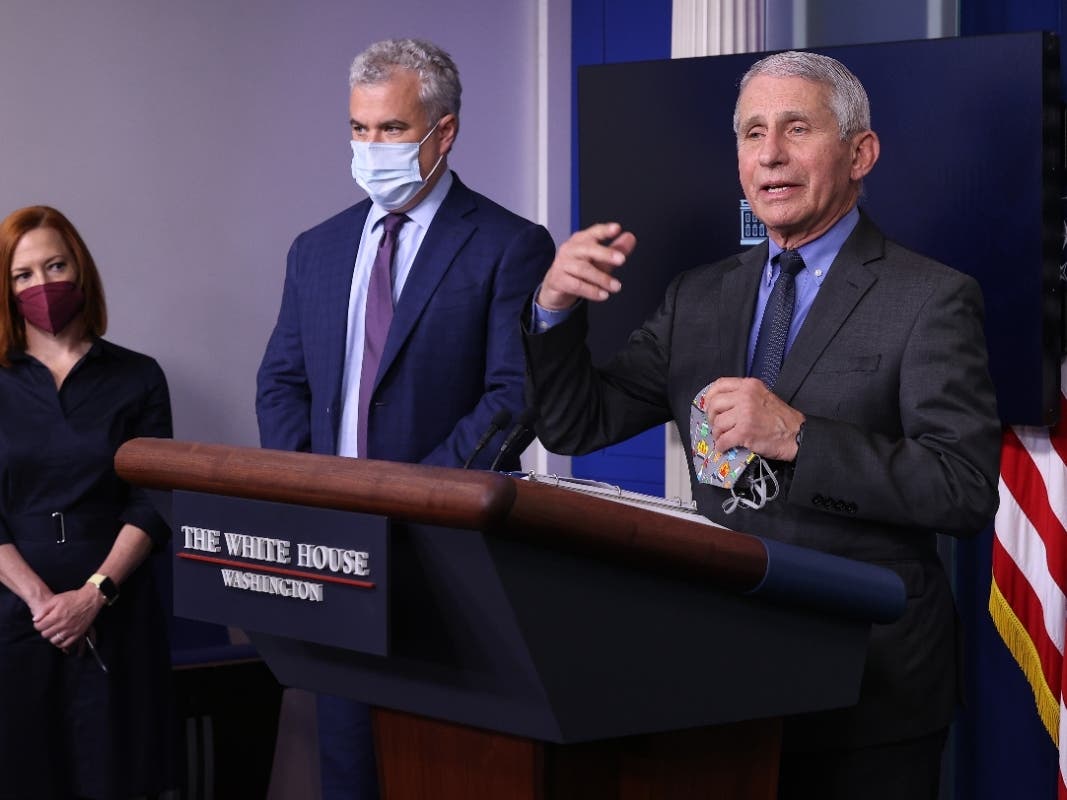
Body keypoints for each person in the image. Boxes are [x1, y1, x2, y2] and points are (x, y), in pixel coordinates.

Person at [523, 50, 1000, 799]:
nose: (770, 154)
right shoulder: (697, 296)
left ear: (860, 154)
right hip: (718, 676)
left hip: (869, 686)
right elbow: (575, 425)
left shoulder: (930, 298)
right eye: (752, 133)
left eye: (796, 128)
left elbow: (962, 488)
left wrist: (800, 439)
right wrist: (552, 312)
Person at [256, 38, 555, 800]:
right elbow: (280, 383)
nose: (370, 147)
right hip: (335, 550)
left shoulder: (510, 246)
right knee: (347, 766)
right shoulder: (316, 250)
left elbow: (511, 397)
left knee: (442, 771)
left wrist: (411, 497)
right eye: (359, 128)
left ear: (443, 132)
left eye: (391, 129)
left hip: (445, 555)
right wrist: (309, 488)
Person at [0, 206, 174, 799]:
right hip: (15, 617)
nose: (42, 284)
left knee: (115, 777)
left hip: (115, 611)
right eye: (23, 275)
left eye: (55, 266)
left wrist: (92, 596)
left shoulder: (138, 376)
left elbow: (153, 499)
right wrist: (42, 602)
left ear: (81, 270)